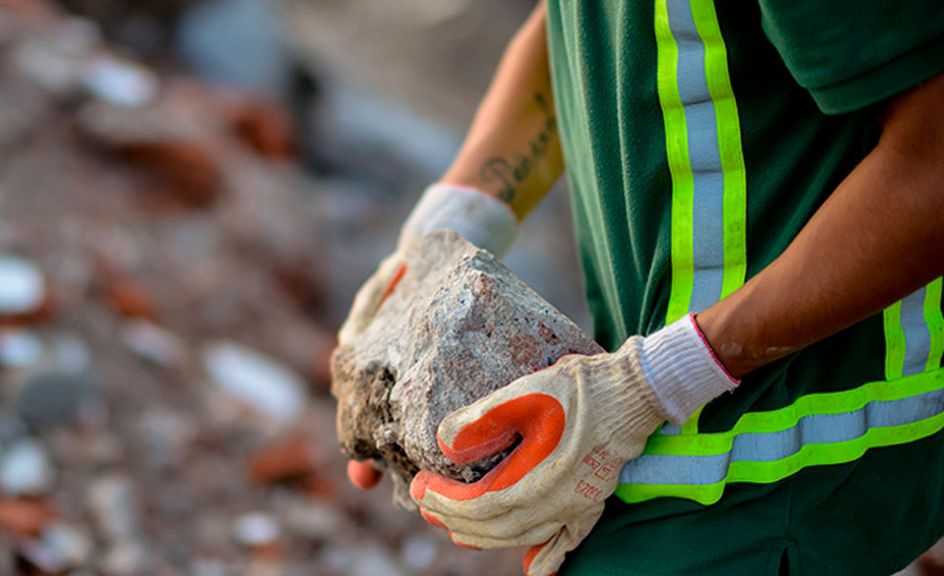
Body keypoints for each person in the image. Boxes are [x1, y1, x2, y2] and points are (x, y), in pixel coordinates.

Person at [337, 1, 944, 574]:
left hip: (777, 477)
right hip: (649, 460)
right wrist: (447, 229)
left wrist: (659, 381)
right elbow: (580, 27)